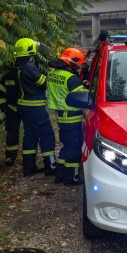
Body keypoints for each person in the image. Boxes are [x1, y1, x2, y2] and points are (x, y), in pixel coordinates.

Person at [14, 38, 58, 177]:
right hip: (35, 108)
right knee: (47, 135)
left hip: (24, 108)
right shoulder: (29, 67)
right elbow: (43, 83)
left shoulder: (17, 65)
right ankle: (50, 166)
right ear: (30, 50)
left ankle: (29, 167)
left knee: (30, 136)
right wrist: (51, 76)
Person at [47, 48, 87, 186]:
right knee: (74, 147)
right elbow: (83, 97)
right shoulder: (72, 79)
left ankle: (59, 175)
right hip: (72, 116)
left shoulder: (52, 75)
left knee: (66, 145)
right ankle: (71, 178)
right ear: (73, 62)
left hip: (60, 116)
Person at [0, 64, 22, 166]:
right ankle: (10, 157)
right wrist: (4, 108)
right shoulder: (6, 78)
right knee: (12, 133)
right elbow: (1, 93)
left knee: (30, 134)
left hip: (25, 108)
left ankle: (29, 158)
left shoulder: (26, 75)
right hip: (11, 109)